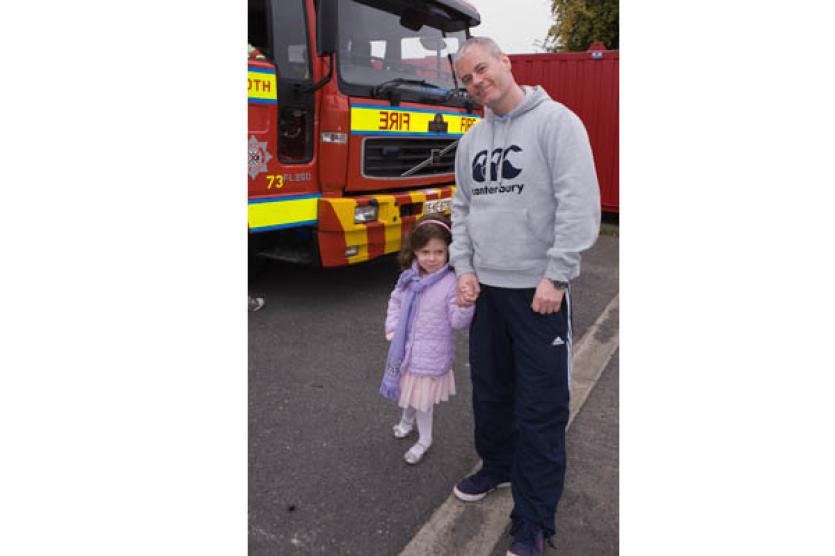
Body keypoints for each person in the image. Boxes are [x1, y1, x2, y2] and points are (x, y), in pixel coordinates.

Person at [449, 37, 601, 556]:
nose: (477, 82)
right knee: (490, 393)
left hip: (540, 295)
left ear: (505, 62)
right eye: (467, 79)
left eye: (482, 69)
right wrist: (464, 268)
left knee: (541, 408)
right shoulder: (471, 141)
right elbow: (462, 209)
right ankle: (497, 465)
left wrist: (557, 276)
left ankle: (534, 519)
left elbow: (579, 203)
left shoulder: (557, 123)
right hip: (488, 293)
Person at [379, 215, 474, 465]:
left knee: (422, 402)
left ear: (449, 252)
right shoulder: (409, 277)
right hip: (406, 351)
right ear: (414, 251)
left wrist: (465, 305)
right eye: (425, 252)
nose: (432, 258)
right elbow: (395, 301)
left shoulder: (452, 282)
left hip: (431, 355)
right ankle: (406, 422)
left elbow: (458, 321)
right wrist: (392, 327)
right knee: (410, 393)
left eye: (439, 252)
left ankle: (425, 440)